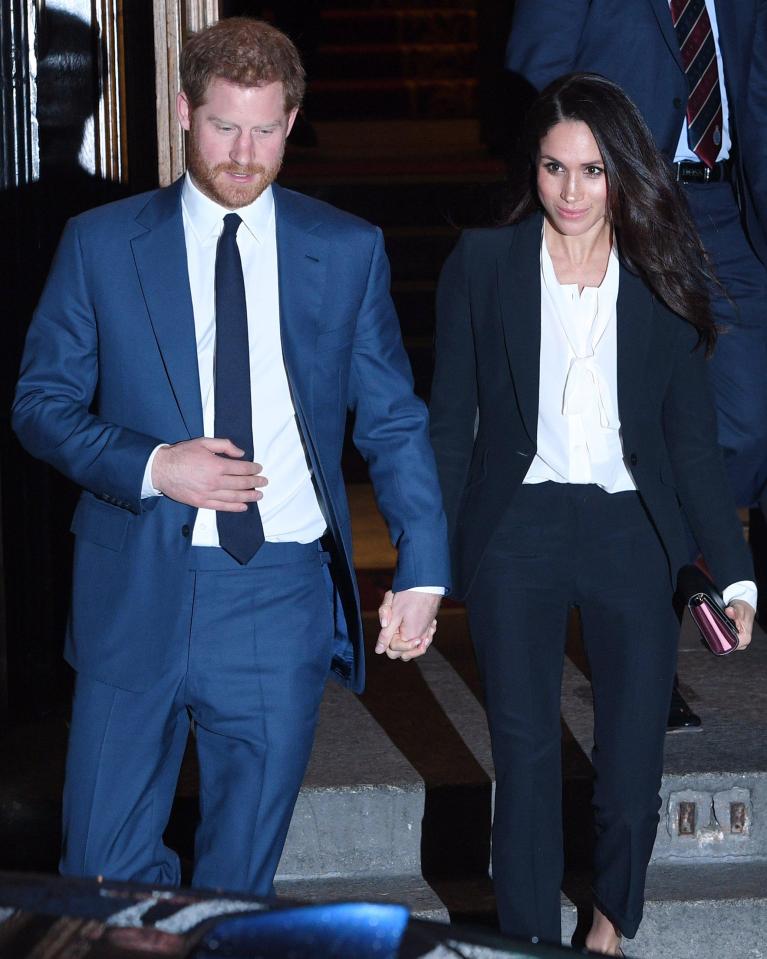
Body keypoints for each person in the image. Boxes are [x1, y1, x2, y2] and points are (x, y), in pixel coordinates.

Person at [12, 17, 449, 896]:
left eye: (264, 128)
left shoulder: (345, 248)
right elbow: (39, 405)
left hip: (274, 592)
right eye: (223, 126)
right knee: (100, 871)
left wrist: (423, 565)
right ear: (182, 111)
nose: (244, 154)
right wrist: (153, 465)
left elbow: (394, 420)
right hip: (135, 584)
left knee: (237, 884)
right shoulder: (101, 243)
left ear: (291, 120)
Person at [428, 73, 755, 954]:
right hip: (516, 532)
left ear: (624, 173)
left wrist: (734, 571)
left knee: (630, 764)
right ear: (530, 168)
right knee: (525, 756)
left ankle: (609, 922)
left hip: (628, 533)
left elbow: (690, 443)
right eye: (552, 168)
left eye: (592, 171)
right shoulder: (484, 265)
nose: (570, 192)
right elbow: (449, 422)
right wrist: (434, 554)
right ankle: (529, 937)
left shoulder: (657, 276)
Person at [505, 0, 767, 729]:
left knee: (744, 428)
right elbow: (538, 74)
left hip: (727, 208)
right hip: (619, 208)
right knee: (618, 439)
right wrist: (579, 196)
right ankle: (641, 655)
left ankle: (681, 568)